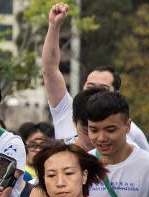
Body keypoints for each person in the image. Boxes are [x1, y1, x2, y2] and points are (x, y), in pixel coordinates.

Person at [42, 3, 148, 150]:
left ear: (116, 94)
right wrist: (54, 26)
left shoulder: (130, 132)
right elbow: (50, 69)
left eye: (102, 89)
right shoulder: (67, 110)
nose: (94, 93)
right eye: (90, 87)